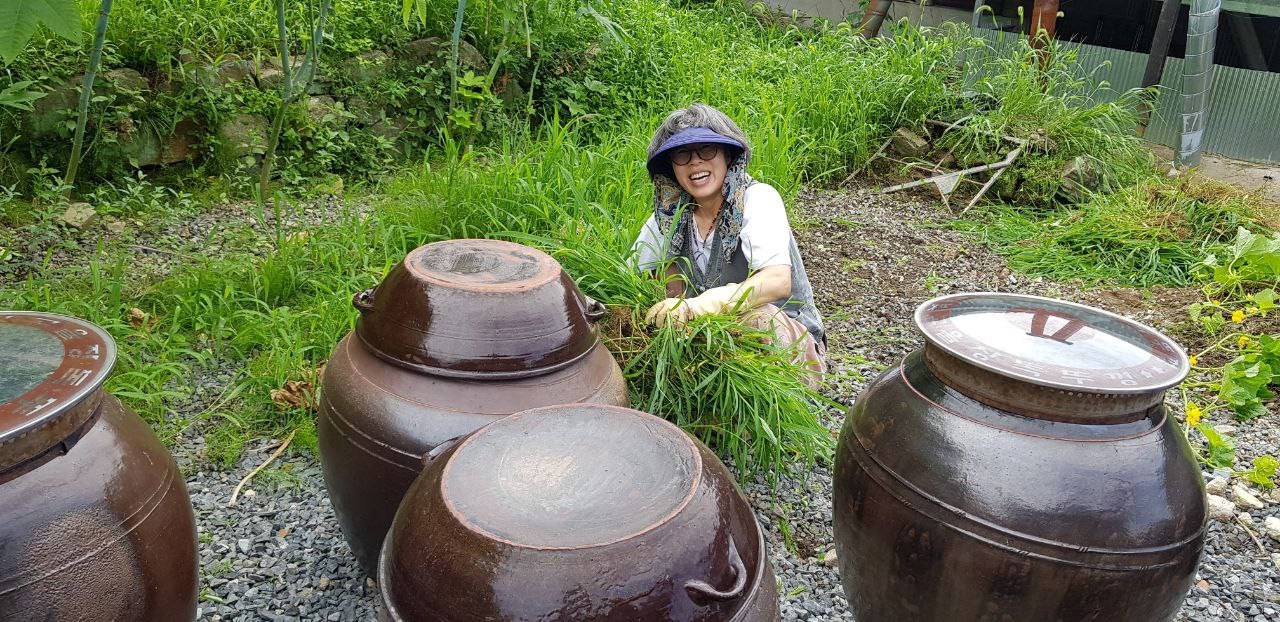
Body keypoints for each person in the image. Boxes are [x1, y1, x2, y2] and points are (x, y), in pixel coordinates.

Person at [630, 103, 827, 381]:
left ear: (727, 155)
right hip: (710, 345)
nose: (695, 162)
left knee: (756, 318)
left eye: (707, 150)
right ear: (671, 168)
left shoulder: (757, 199)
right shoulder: (668, 216)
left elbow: (776, 281)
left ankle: (777, 410)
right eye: (682, 154)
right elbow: (638, 274)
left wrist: (699, 305)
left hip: (788, 346)